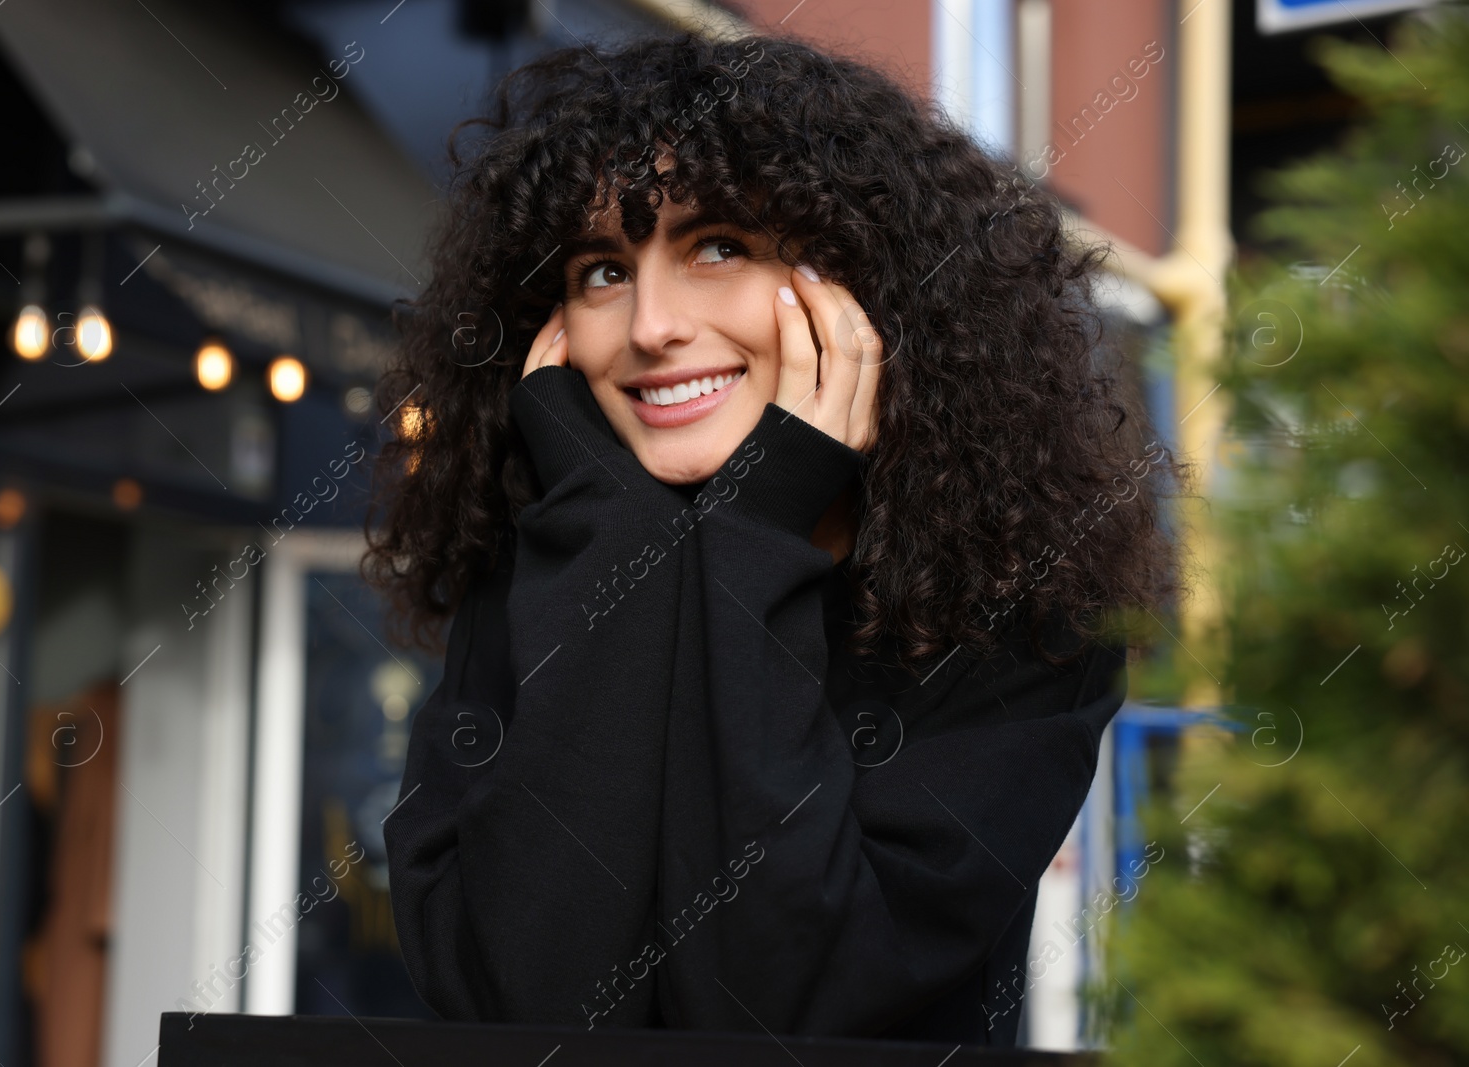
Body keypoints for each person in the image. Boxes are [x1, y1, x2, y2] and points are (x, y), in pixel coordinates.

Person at [366, 31, 1180, 1045]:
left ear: (864, 287)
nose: (652, 323)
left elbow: (788, 1007)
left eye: (718, 247)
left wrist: (756, 527)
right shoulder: (534, 579)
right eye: (601, 271)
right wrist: (610, 531)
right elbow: (523, 1007)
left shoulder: (1015, 622)